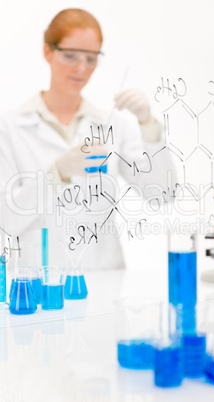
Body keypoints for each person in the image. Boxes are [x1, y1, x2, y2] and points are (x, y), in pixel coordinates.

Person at [0, 8, 175, 270]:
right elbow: (6, 218)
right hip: (39, 285)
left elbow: (162, 193)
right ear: (47, 51)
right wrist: (56, 173)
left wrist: (147, 124)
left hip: (104, 279)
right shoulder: (10, 127)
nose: (81, 68)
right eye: (70, 56)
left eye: (91, 58)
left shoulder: (113, 124)